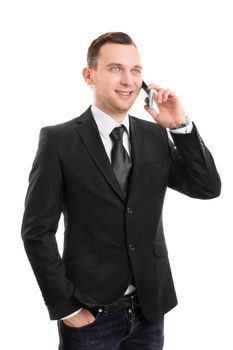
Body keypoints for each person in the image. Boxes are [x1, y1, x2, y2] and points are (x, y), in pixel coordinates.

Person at [21, 32, 221, 350]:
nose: (128, 80)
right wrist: (66, 307)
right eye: (115, 68)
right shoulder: (59, 141)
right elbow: (37, 232)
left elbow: (207, 187)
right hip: (90, 311)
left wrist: (180, 126)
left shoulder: (155, 137)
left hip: (150, 310)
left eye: (136, 70)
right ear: (89, 75)